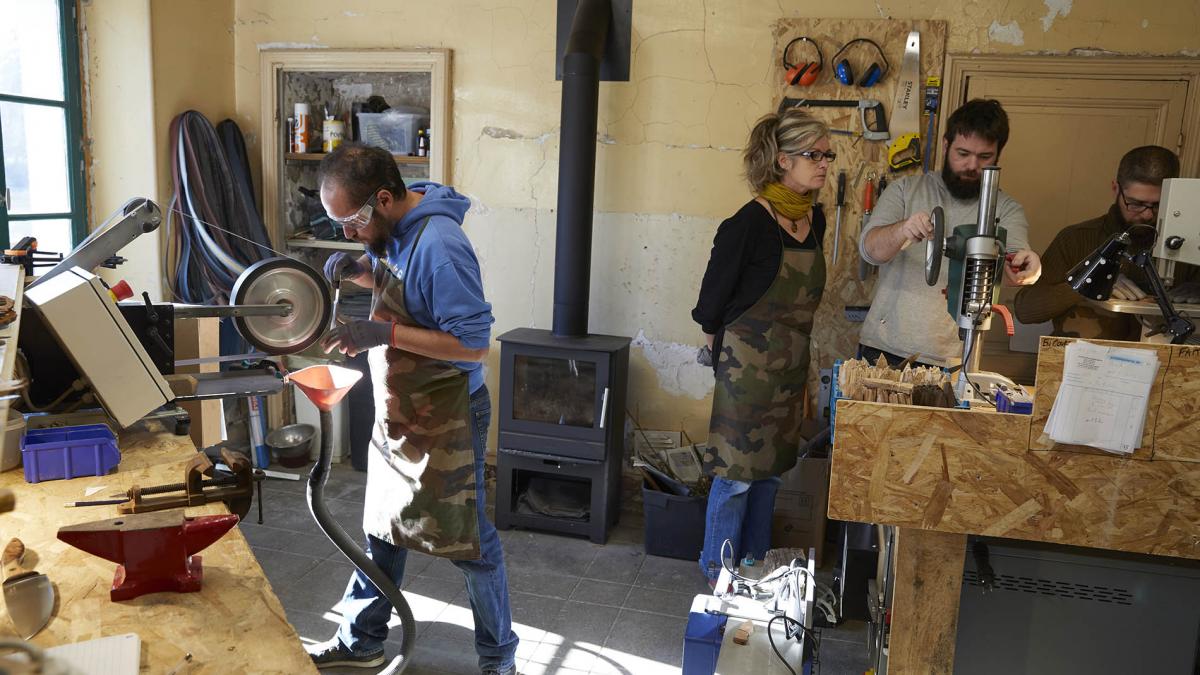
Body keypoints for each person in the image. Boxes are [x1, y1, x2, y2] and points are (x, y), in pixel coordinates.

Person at [305, 143, 518, 674]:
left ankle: (499, 661)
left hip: (448, 414)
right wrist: (360, 270)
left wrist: (383, 331)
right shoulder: (392, 231)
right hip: (401, 408)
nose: (348, 233)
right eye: (338, 227)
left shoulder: (441, 246)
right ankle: (362, 639)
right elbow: (404, 284)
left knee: (470, 543)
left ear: (383, 198)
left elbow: (472, 345)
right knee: (382, 525)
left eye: (352, 223)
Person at [691, 109, 830, 582]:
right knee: (734, 477)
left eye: (826, 154)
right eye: (813, 154)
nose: (824, 163)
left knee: (770, 474)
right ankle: (718, 571)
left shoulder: (816, 222)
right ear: (781, 161)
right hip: (746, 370)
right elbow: (710, 304)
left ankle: (752, 567)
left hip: (790, 369)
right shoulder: (747, 224)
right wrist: (719, 351)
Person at [858, 98, 1043, 368]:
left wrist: (1028, 265)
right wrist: (902, 230)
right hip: (884, 351)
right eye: (963, 153)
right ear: (946, 146)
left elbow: (1016, 255)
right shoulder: (904, 190)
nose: (971, 166)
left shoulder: (1006, 208)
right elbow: (870, 252)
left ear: (998, 155)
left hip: (953, 360)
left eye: (984, 157)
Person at [1014, 145, 1200, 339]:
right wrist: (1089, 283)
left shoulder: (1190, 245)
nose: (1147, 214)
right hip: (1087, 361)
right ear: (1115, 189)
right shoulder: (1076, 238)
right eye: (1135, 203)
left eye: (1157, 205)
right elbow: (1026, 311)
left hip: (1166, 360)